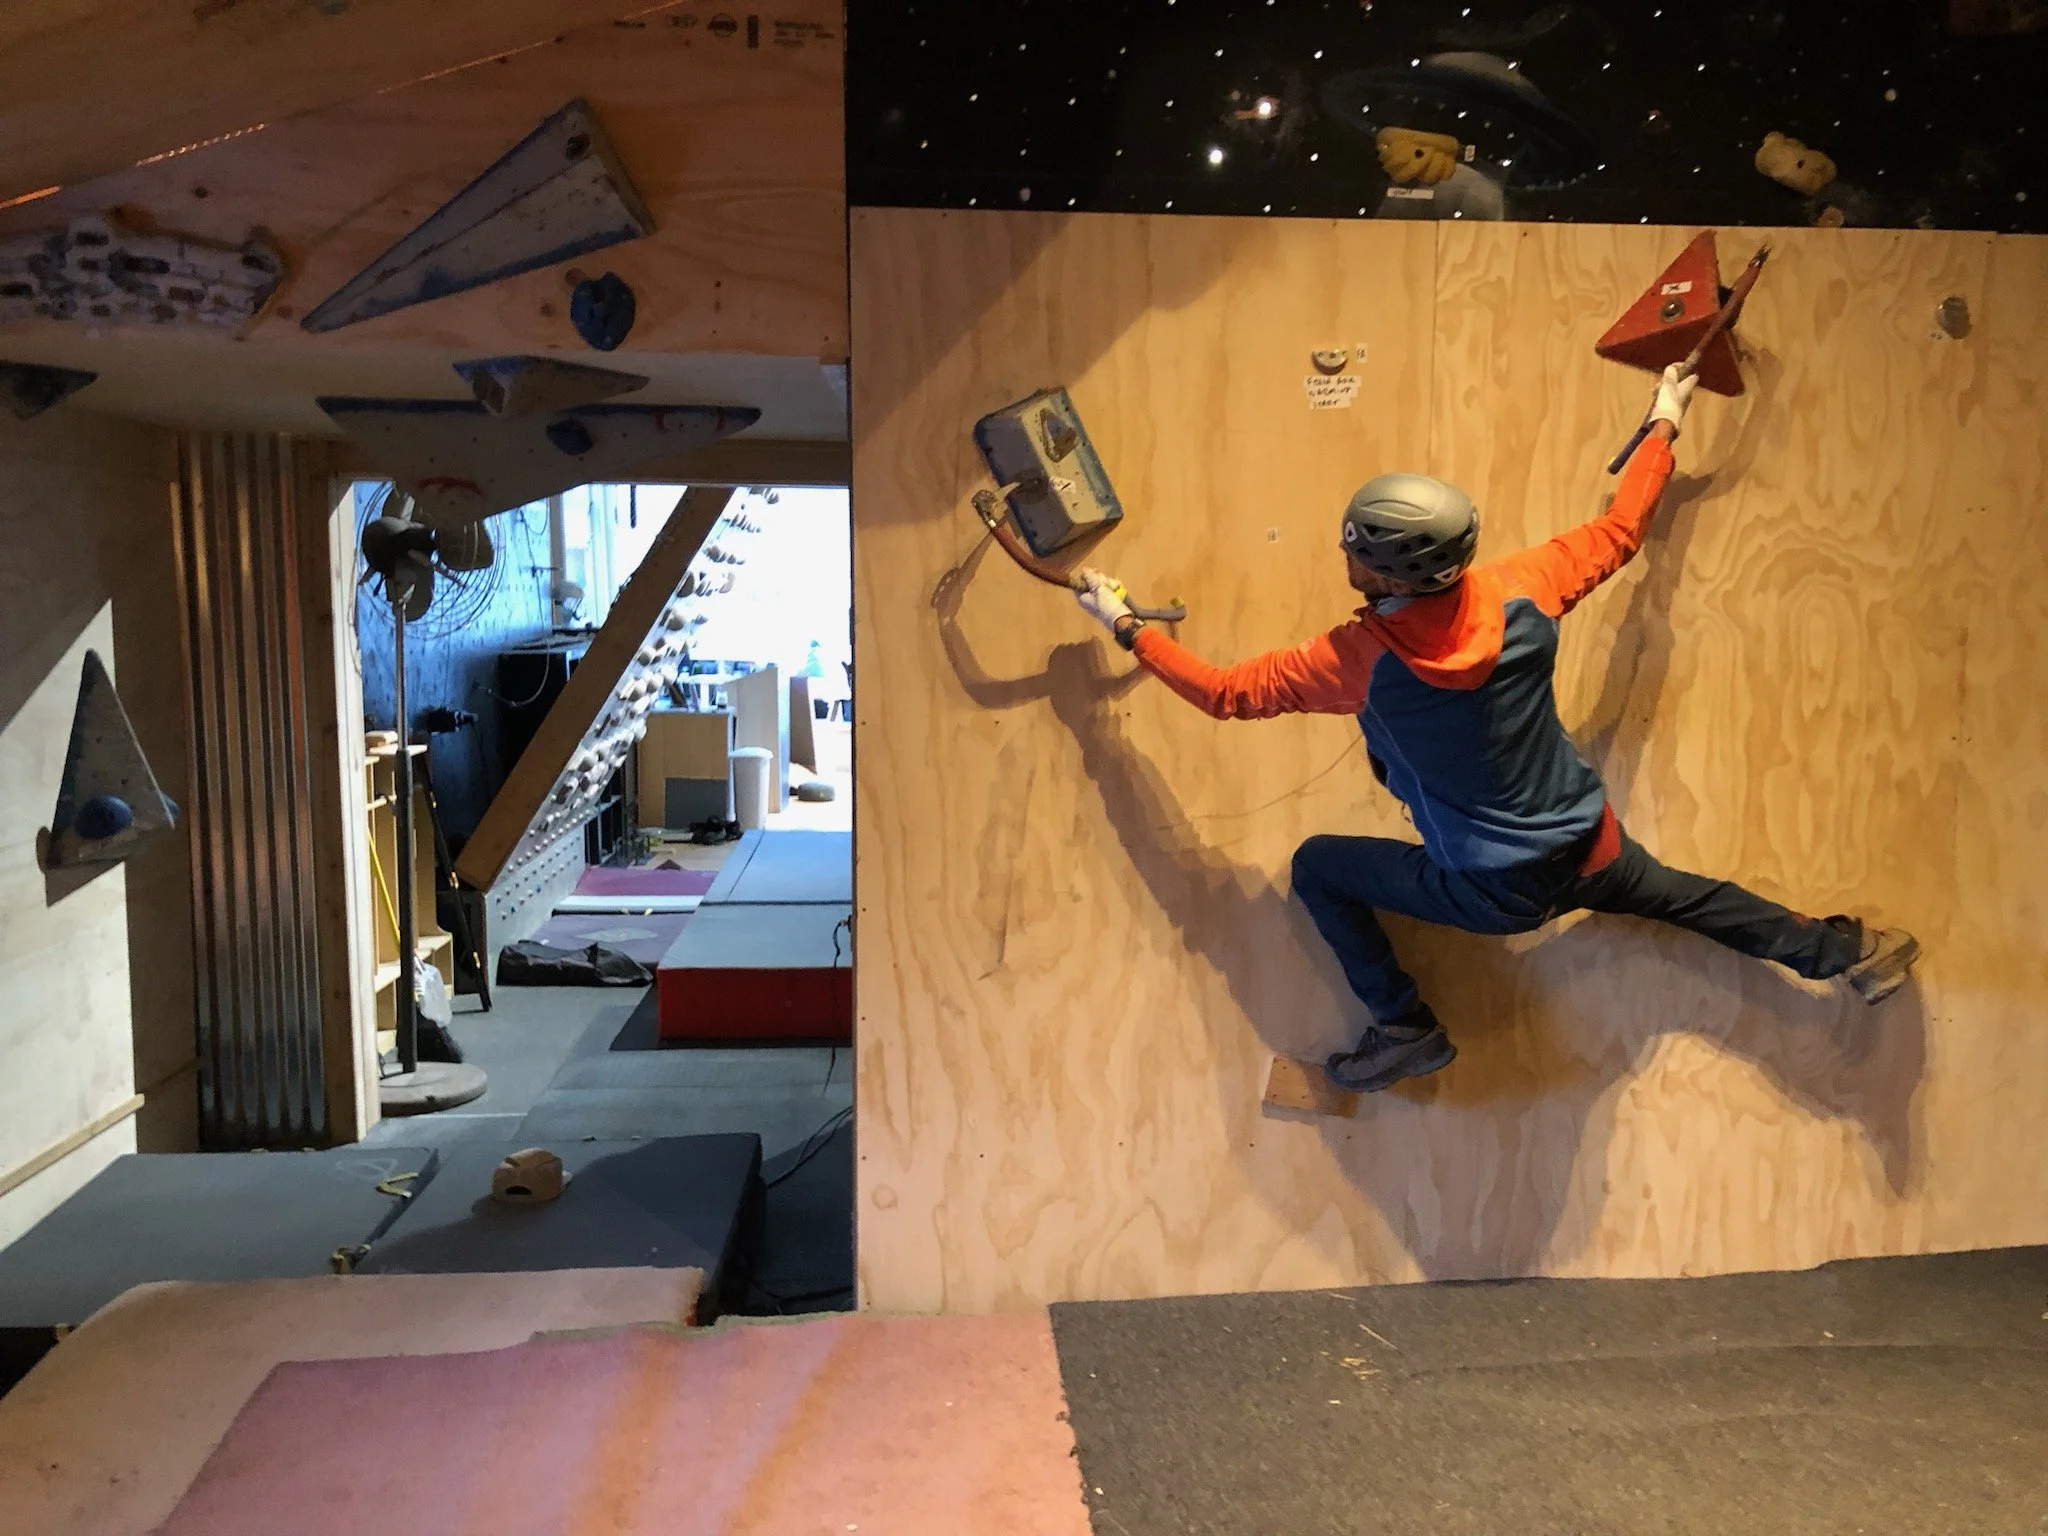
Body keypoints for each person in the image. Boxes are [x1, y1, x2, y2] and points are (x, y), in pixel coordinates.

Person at [1070, 365, 1920, 1093]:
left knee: (1318, 869)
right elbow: (1620, 532)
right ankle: (1843, 953)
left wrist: (1123, 624)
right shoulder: (1523, 587)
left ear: (1386, 566)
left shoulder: (1360, 657)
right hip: (1592, 843)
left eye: (1355, 549)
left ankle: (1404, 1027)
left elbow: (1225, 694)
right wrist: (1666, 417)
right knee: (1692, 900)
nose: (1345, 559)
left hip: (1491, 891)